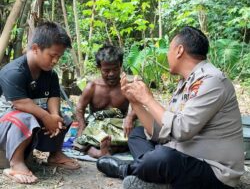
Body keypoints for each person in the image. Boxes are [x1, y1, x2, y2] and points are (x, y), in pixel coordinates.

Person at [96, 26, 244, 189]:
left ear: (179, 50)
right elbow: (162, 130)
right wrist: (136, 103)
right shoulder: (186, 81)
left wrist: (148, 98)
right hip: (183, 154)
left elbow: (180, 130)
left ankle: (128, 169)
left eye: (169, 50)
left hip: (213, 172)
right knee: (137, 134)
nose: (167, 55)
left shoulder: (212, 81)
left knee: (163, 157)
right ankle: (154, 173)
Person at [0, 22, 80, 184]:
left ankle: (55, 153)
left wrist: (54, 116)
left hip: (29, 117)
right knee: (25, 118)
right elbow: (21, 103)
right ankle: (16, 163)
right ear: (35, 48)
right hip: (5, 122)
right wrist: (46, 116)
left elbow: (53, 96)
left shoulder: (50, 75)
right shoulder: (13, 72)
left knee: (62, 118)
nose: (56, 60)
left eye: (59, 56)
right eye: (52, 55)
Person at [75, 45, 136, 158]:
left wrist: (130, 118)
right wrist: (82, 126)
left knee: (139, 133)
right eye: (106, 70)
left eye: (115, 69)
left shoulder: (126, 86)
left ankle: (108, 149)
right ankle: (100, 153)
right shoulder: (92, 87)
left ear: (120, 65)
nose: (111, 74)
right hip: (96, 128)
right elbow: (79, 108)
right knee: (82, 140)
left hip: (119, 128)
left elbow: (137, 106)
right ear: (99, 67)